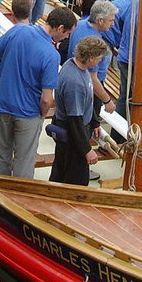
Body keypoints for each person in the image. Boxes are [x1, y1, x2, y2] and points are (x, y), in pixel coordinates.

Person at [0, 0, 76, 178]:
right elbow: (46, 98)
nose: (67, 37)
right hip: (28, 114)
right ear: (60, 29)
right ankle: (15, 198)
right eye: (67, 33)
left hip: (4, 106)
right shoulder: (51, 55)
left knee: (1, 156)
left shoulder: (18, 30)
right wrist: (42, 115)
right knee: (24, 160)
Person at [49, 36, 110, 186]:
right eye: (99, 59)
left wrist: (95, 122)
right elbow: (74, 120)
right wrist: (86, 149)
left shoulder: (72, 65)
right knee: (75, 179)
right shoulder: (74, 82)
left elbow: (87, 103)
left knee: (60, 170)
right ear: (90, 58)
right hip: (72, 136)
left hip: (75, 128)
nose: (99, 62)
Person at [67, 0, 118, 115]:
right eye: (111, 21)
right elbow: (92, 78)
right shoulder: (94, 43)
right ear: (100, 20)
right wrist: (107, 100)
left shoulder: (80, 24)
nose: (113, 24)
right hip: (90, 90)